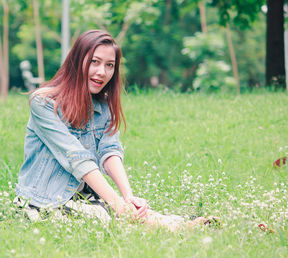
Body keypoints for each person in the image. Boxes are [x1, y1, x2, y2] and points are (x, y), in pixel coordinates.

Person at [14, 30, 218, 231]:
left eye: (109, 65)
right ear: (77, 61)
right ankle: (178, 228)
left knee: (126, 212)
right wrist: (116, 204)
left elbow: (109, 151)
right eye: (94, 61)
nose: (102, 72)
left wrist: (127, 197)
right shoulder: (43, 103)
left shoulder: (103, 107)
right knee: (106, 218)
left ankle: (180, 225)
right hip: (43, 199)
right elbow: (76, 158)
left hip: (81, 197)